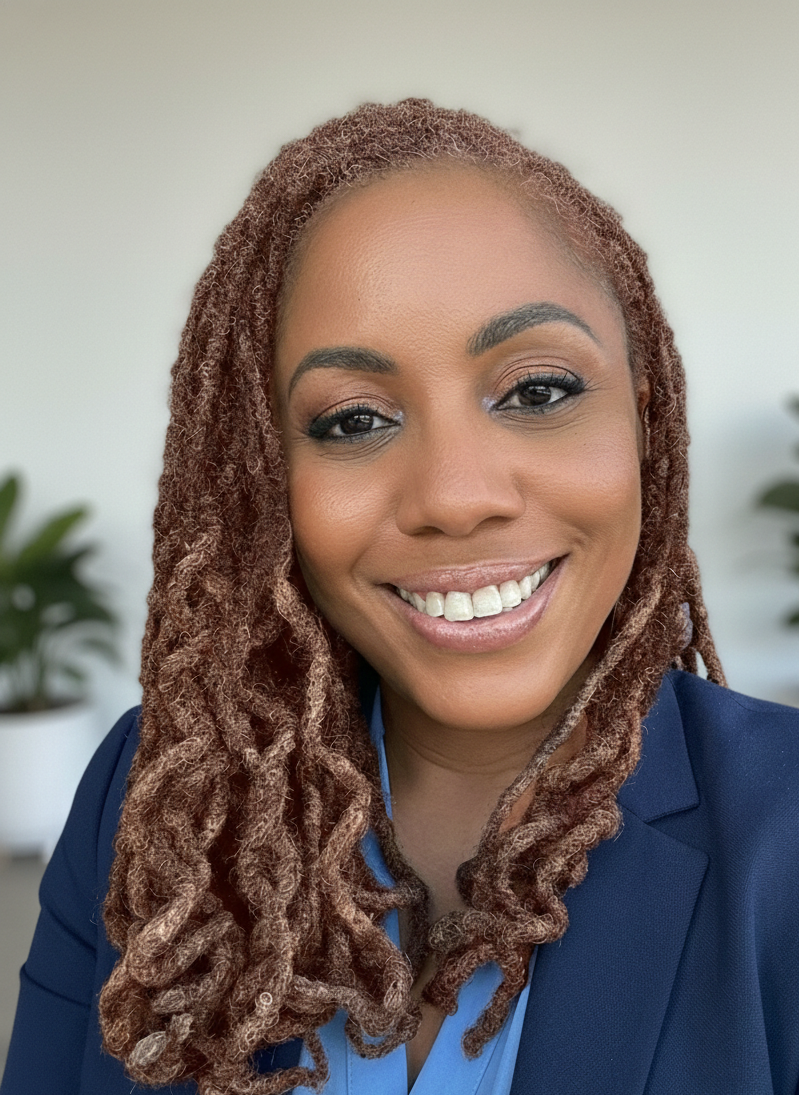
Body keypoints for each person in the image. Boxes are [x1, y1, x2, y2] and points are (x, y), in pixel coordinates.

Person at [3, 99, 799, 1095]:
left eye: (538, 391)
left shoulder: (786, 829)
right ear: (261, 476)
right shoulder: (149, 797)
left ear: (643, 418)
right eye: (353, 420)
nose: (455, 497)